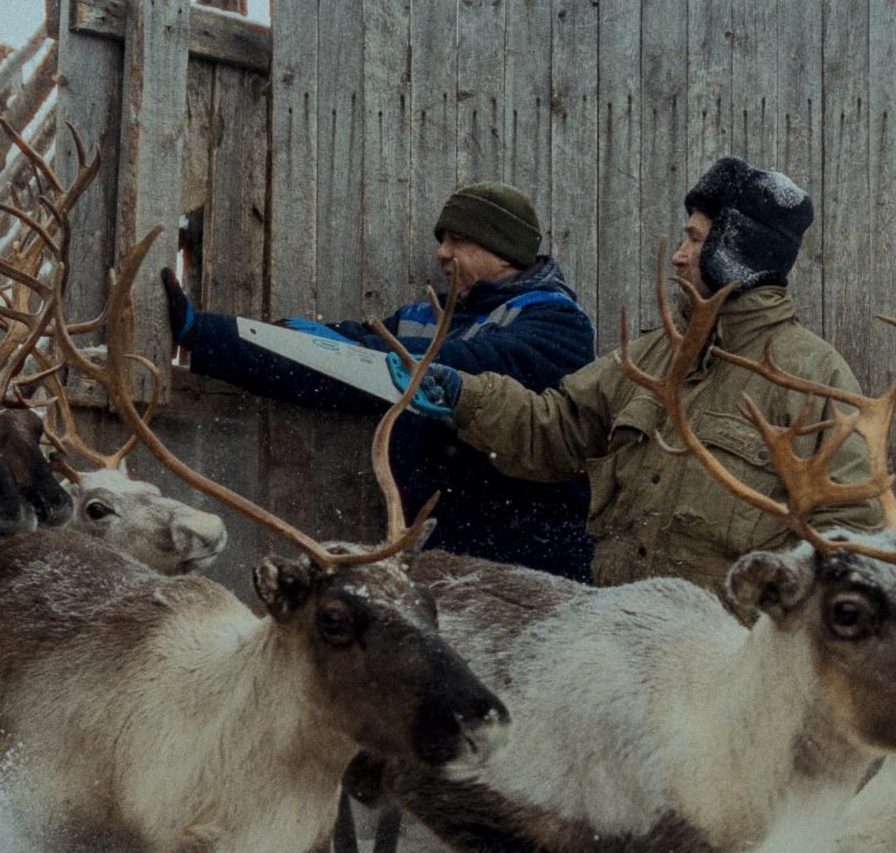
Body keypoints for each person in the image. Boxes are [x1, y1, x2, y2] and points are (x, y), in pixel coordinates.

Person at [407, 156, 884, 593]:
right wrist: (467, 396)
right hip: (624, 635)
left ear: (735, 250)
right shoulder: (655, 355)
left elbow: (849, 532)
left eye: (694, 239)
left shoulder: (814, 377)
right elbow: (557, 429)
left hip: (725, 655)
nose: (678, 255)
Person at [165, 182, 599, 581]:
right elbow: (355, 352)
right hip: (441, 545)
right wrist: (211, 335)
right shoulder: (424, 318)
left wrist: (346, 356)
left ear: (504, 251)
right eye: (441, 240)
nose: (441, 254)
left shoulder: (556, 324)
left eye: (458, 240)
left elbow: (416, 369)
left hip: (532, 554)